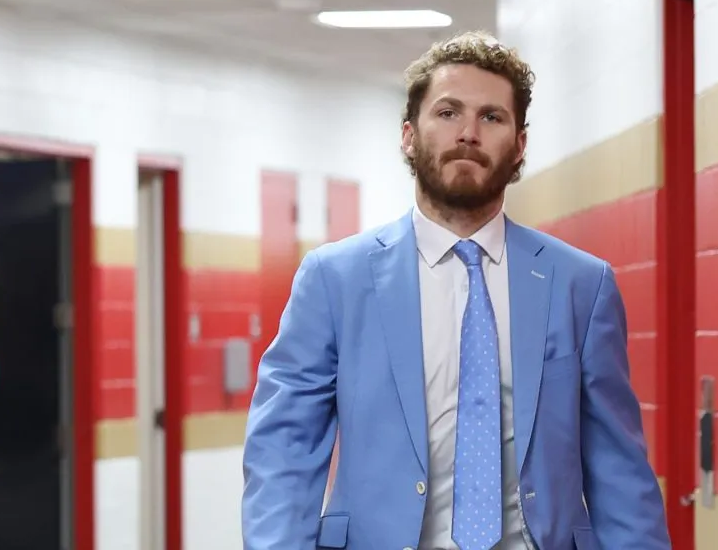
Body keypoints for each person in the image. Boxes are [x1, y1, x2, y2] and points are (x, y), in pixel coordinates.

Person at [241, 30, 670, 550]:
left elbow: (618, 470)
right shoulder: (335, 280)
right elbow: (284, 451)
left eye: (492, 117)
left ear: (520, 146)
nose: (468, 132)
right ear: (408, 135)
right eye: (447, 113)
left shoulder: (581, 285)